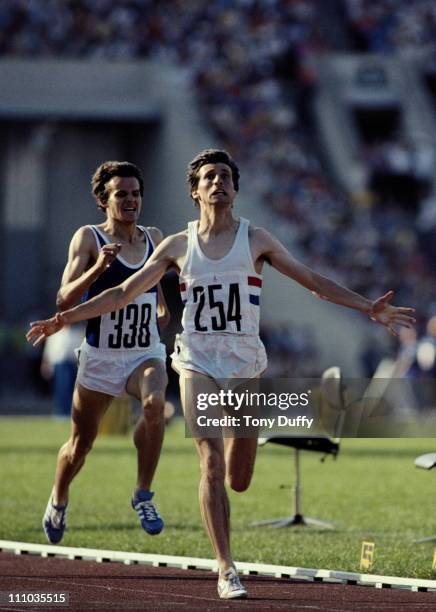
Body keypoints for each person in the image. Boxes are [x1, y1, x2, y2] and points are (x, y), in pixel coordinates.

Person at [27, 149, 415, 599]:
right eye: (209, 177)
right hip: (196, 362)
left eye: (225, 176)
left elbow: (312, 280)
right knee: (209, 462)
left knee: (238, 477)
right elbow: (121, 293)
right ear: (195, 191)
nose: (218, 183)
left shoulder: (256, 239)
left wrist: (368, 306)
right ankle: (226, 568)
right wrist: (65, 318)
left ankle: (225, 514)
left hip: (244, 363)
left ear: (234, 187)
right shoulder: (177, 245)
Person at [36, 161, 170, 546]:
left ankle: (143, 494)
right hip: (101, 356)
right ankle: (59, 497)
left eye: (135, 194)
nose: (130, 201)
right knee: (81, 444)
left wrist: (161, 309)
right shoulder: (88, 237)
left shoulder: (154, 236)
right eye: (121, 195)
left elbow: (154, 286)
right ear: (103, 200)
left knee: (155, 404)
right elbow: (63, 298)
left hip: (144, 352)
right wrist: (98, 268)